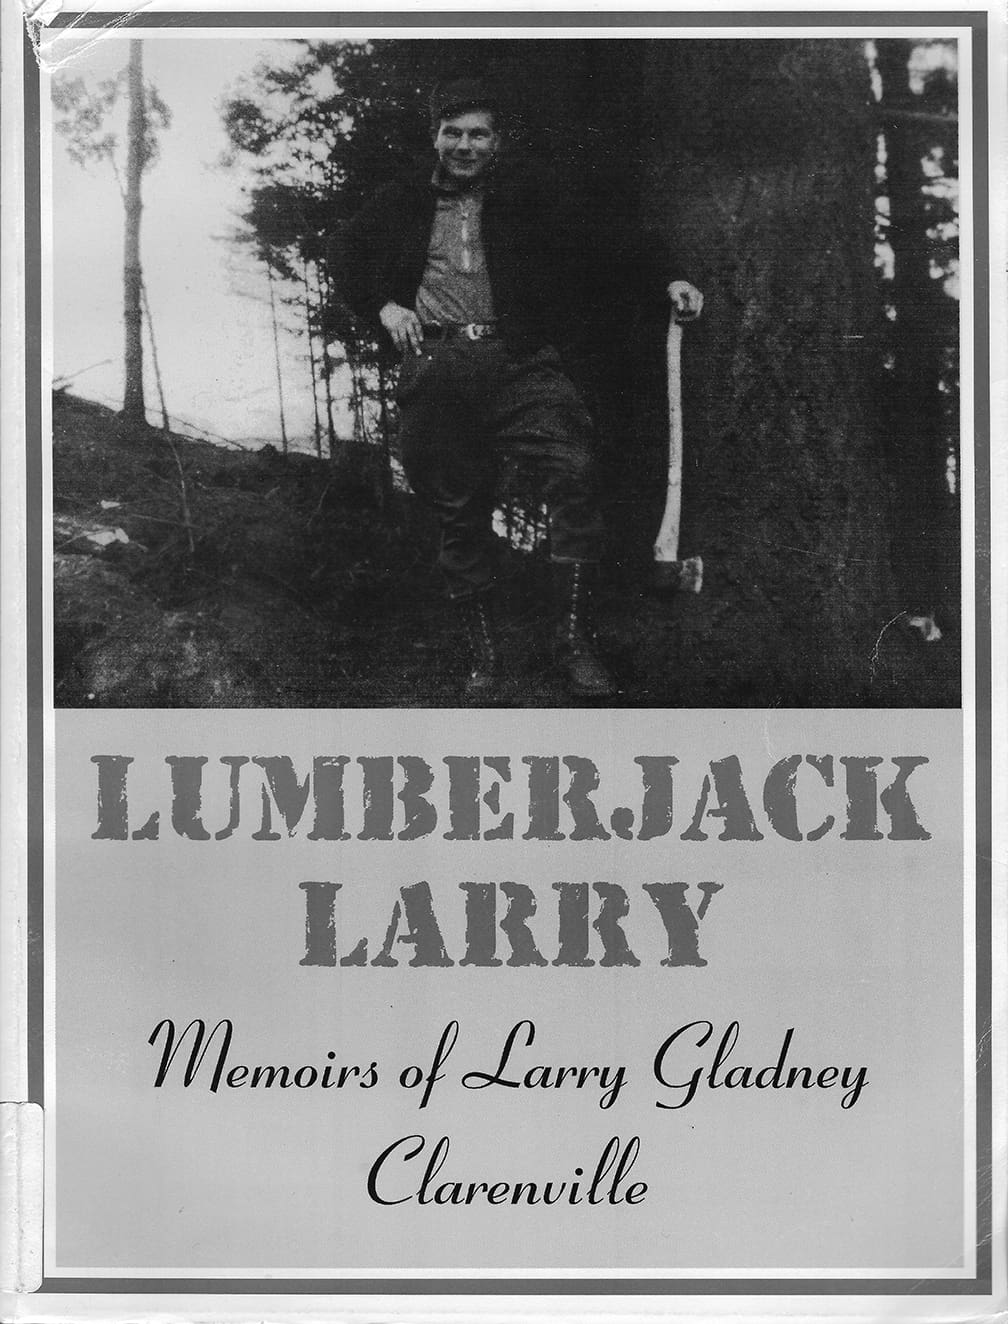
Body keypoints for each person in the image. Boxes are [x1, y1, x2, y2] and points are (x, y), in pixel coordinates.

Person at [341, 74, 703, 699]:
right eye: (452, 132)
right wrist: (384, 307)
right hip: (436, 366)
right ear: (435, 136)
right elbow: (344, 253)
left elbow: (611, 239)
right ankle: (484, 661)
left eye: (478, 134)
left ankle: (572, 643)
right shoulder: (400, 201)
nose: (464, 145)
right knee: (458, 512)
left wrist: (669, 276)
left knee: (574, 472)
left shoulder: (532, 199)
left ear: (498, 142)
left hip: (520, 363)